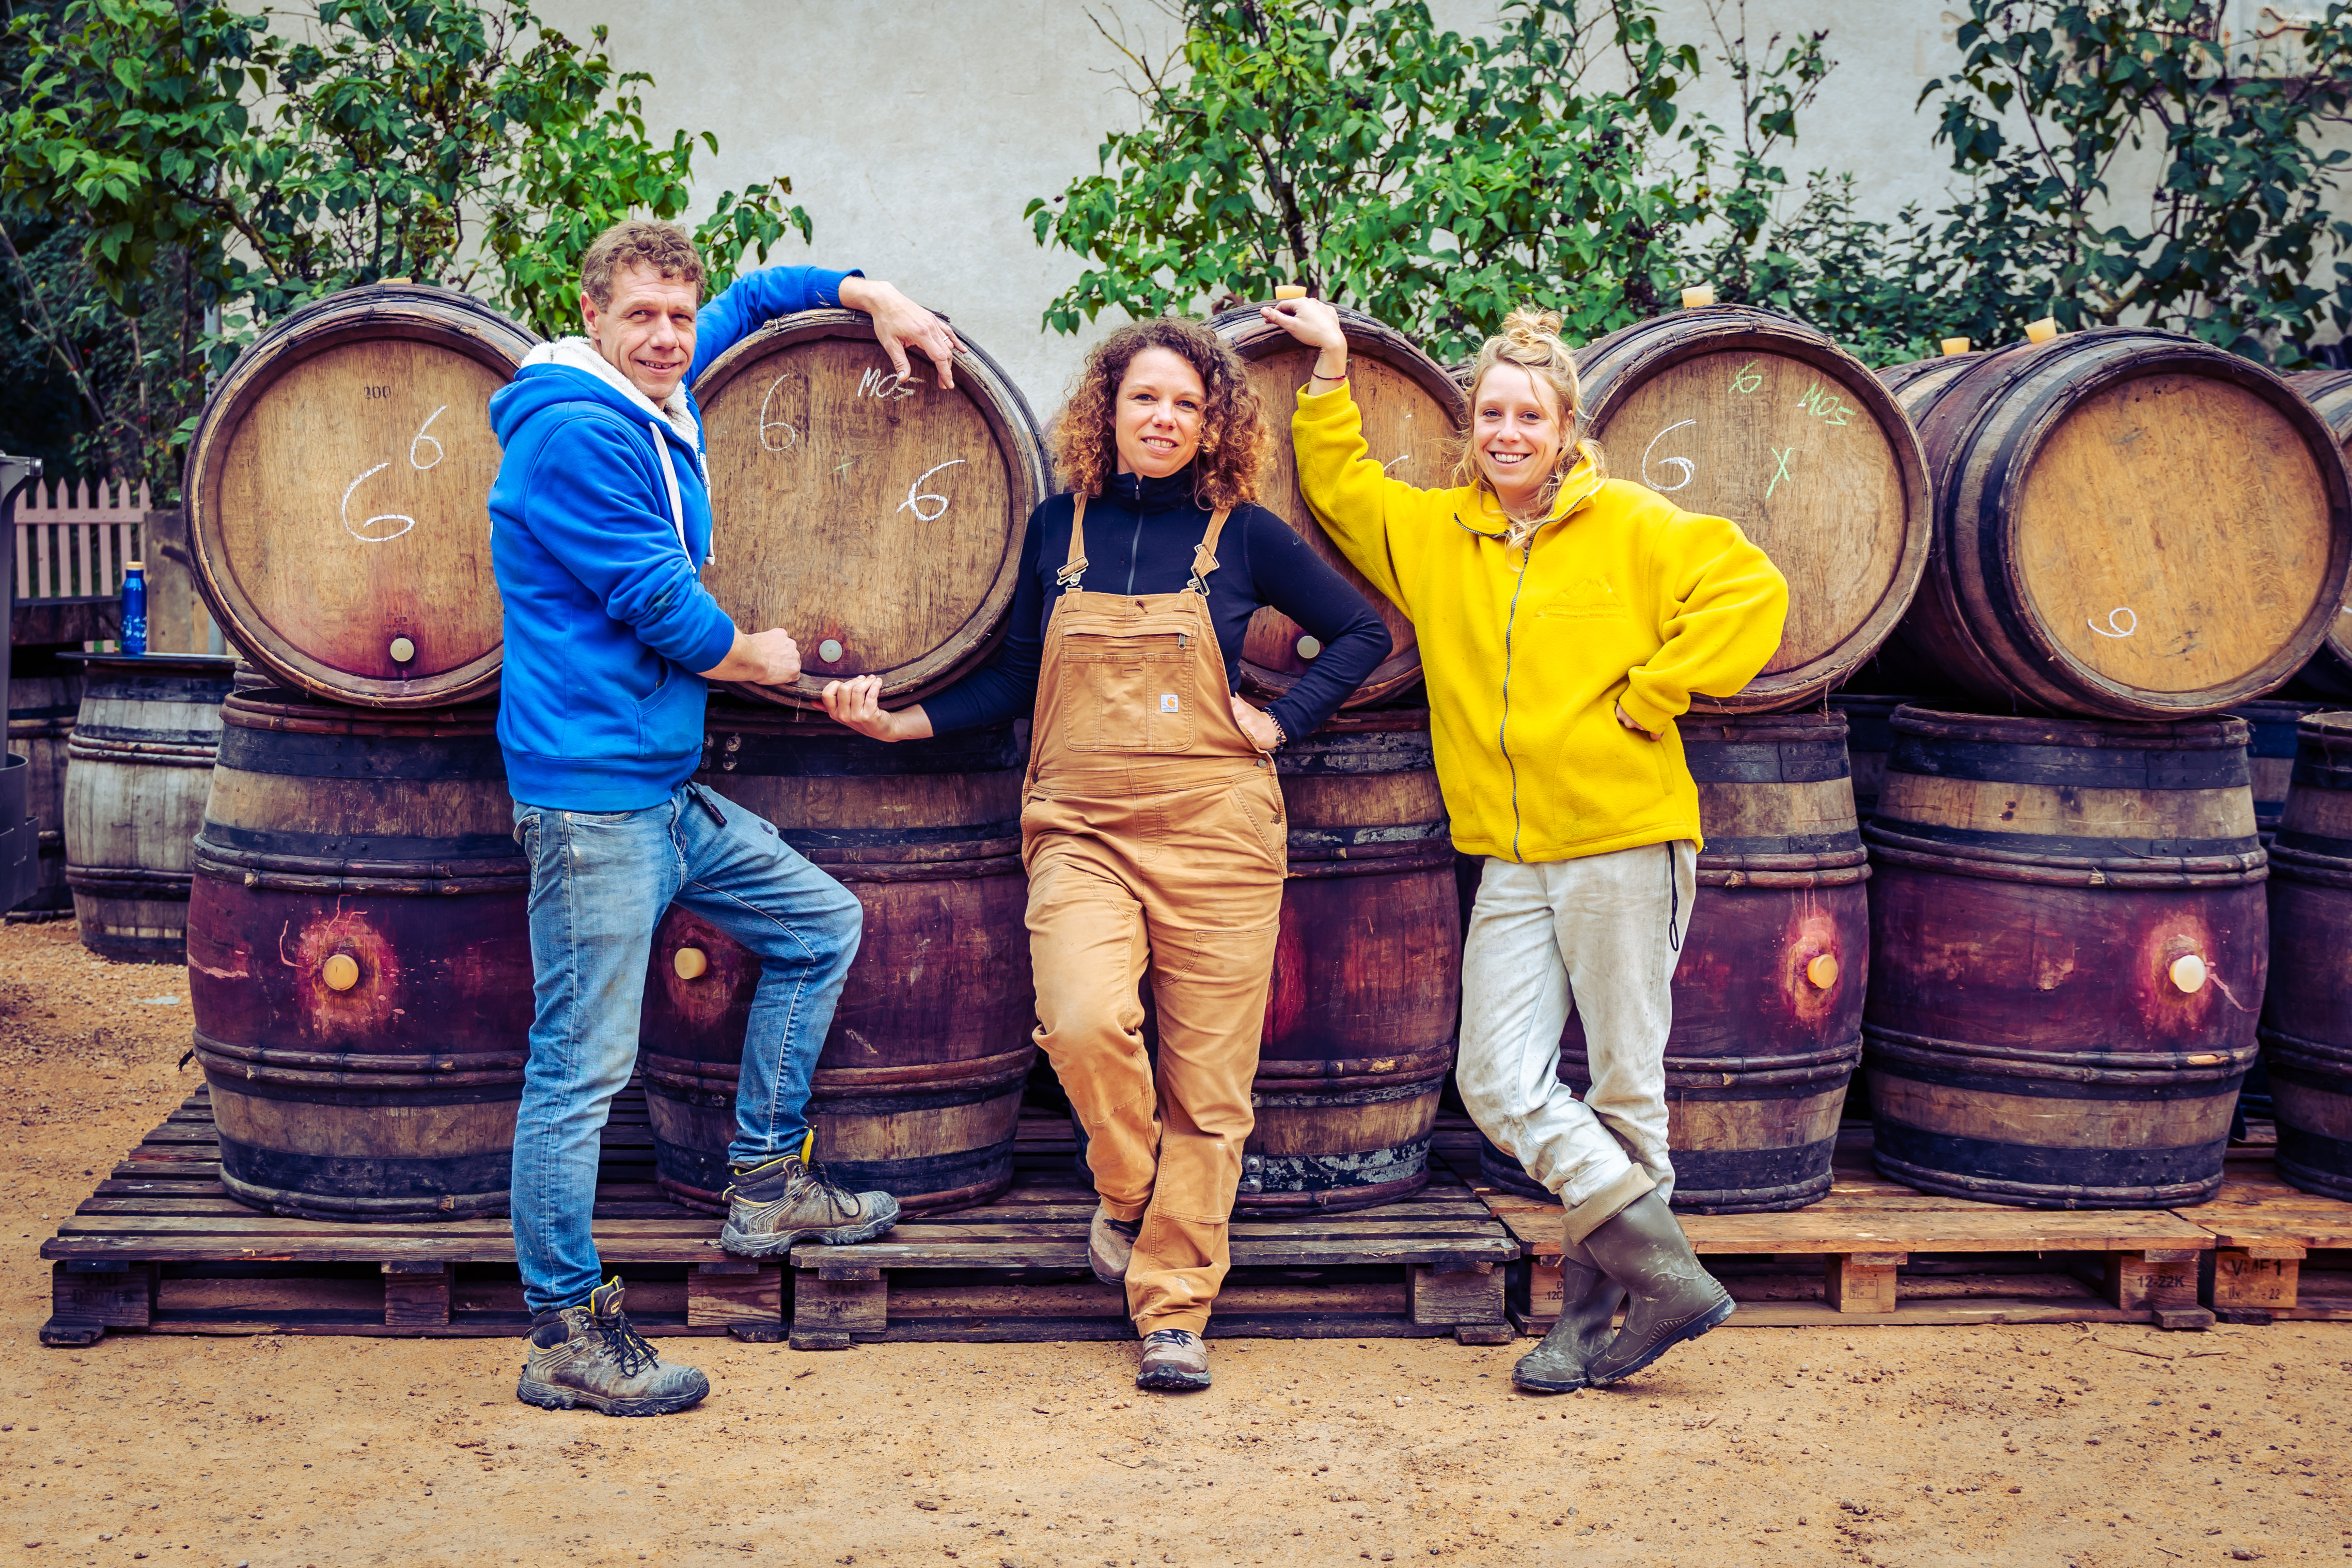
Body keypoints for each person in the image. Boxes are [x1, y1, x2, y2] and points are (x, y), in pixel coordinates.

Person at [820, 318, 1390, 1392]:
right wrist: (902, 724)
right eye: (1145, 399)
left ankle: (1174, 1312)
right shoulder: (1057, 529)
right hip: (1079, 828)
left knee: (1210, 1093)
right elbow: (1015, 680)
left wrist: (1283, 719)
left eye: (1186, 404)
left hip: (1220, 833)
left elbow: (1362, 633)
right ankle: (1129, 1194)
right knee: (1081, 1023)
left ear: (1212, 423)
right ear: (1108, 410)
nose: (1164, 419)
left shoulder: (1245, 535)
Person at [1267, 298, 1788, 1392]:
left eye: (1530, 417)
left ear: (1566, 431)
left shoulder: (1633, 524)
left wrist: (1653, 694)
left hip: (1622, 837)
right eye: (1491, 414)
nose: (1508, 434)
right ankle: (1667, 1275)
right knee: (1497, 1079)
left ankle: (1588, 1325)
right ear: (1471, 428)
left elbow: (1752, 592)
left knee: (1625, 1089)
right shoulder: (1434, 534)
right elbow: (1342, 487)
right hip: (1509, 853)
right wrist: (1327, 372)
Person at [488, 218, 961, 1417]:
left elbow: (756, 300)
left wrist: (871, 293)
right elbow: (659, 602)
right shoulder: (578, 431)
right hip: (592, 803)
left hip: (657, 790)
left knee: (819, 924)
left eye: (676, 316)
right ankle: (564, 1332)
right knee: (579, 1071)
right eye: (640, 315)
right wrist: (753, 655)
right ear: (590, 315)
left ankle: (765, 1181)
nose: (667, 336)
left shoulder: (649, 387)